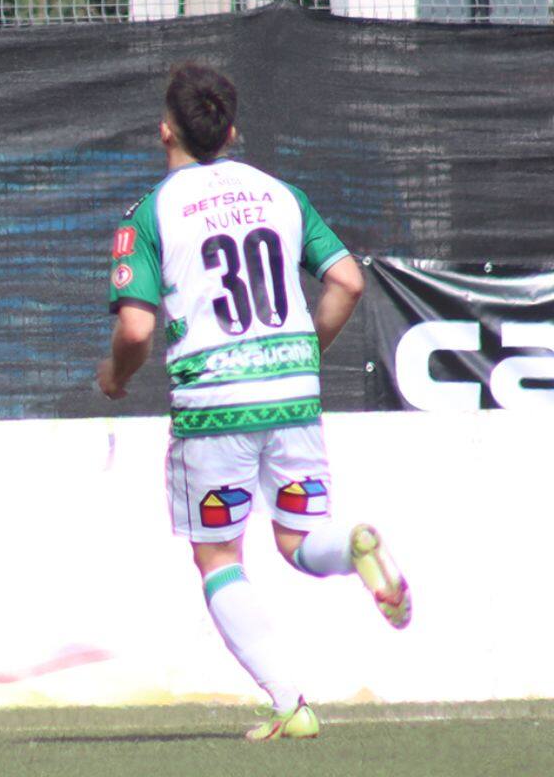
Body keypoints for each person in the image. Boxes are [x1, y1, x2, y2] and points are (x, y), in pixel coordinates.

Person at [96, 63, 411, 741]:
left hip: (216, 406)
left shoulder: (150, 213)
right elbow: (348, 281)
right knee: (300, 542)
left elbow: (137, 329)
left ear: (165, 130)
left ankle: (289, 702)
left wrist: (114, 376)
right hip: (292, 396)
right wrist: (303, 352)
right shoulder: (282, 195)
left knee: (219, 558)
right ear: (232, 131)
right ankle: (356, 544)